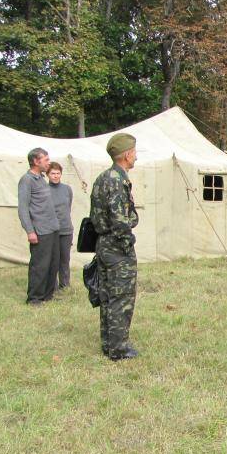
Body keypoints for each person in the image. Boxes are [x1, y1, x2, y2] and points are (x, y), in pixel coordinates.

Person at [90, 133, 140, 361]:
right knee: (121, 297)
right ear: (127, 154)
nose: (136, 156)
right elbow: (119, 219)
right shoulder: (117, 180)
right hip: (117, 246)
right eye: (135, 152)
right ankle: (119, 349)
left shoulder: (103, 177)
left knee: (107, 296)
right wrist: (127, 243)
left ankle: (108, 343)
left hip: (103, 243)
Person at [17, 147, 60, 305]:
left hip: (52, 228)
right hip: (40, 230)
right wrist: (30, 231)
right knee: (40, 265)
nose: (49, 162)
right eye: (46, 159)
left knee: (53, 264)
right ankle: (34, 298)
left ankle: (47, 295)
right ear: (36, 161)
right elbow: (23, 208)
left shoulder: (41, 178)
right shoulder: (26, 180)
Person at [47, 161, 74, 290]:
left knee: (65, 258)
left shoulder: (67, 189)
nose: (56, 176)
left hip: (66, 229)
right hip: (51, 230)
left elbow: (68, 206)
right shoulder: (44, 189)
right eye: (53, 173)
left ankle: (65, 284)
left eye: (58, 173)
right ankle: (53, 286)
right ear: (48, 174)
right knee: (53, 259)